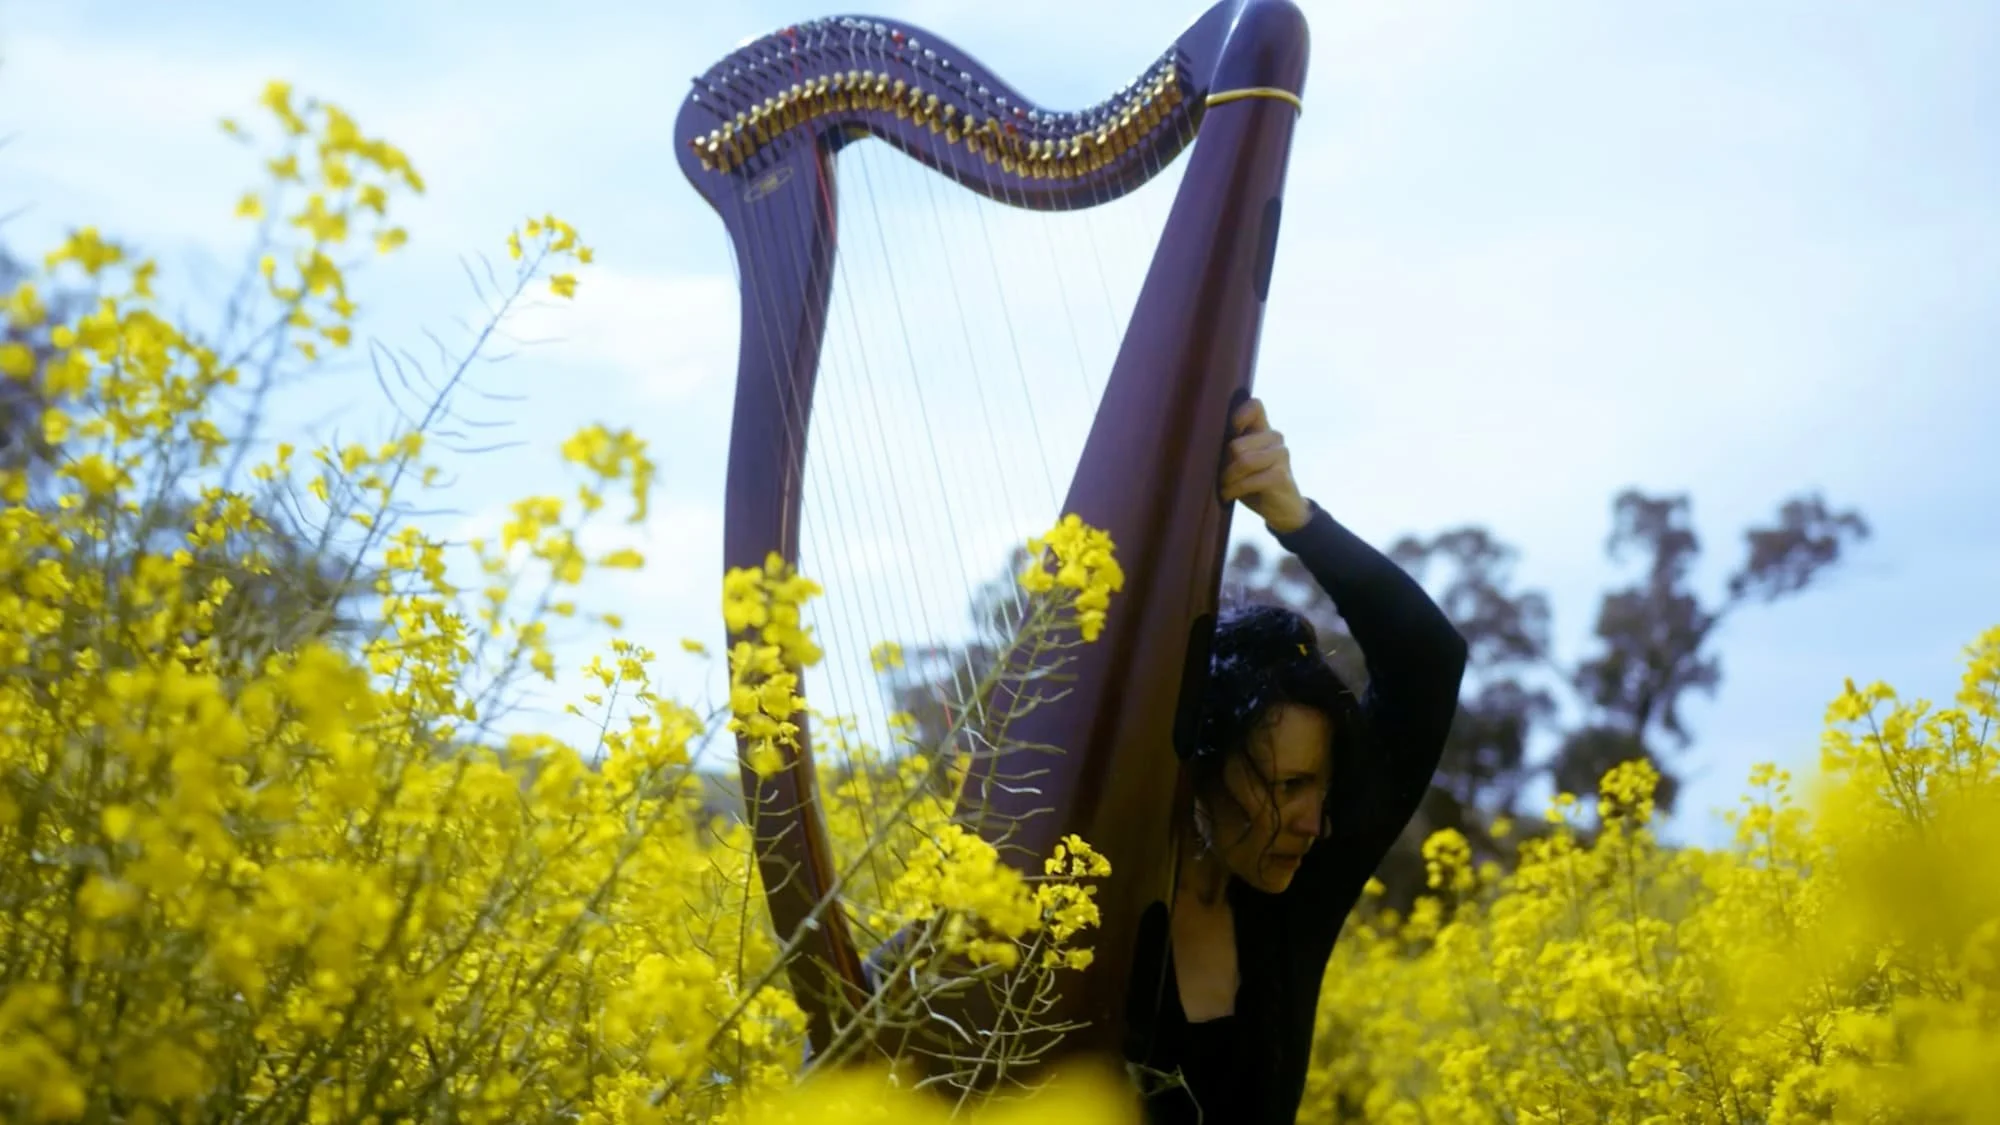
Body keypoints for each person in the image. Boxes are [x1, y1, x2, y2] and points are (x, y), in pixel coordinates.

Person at [1130, 397, 1468, 1124]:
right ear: (1203, 767)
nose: (1313, 822)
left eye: (1320, 782)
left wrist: (1295, 517)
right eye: (1284, 783)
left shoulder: (1304, 887)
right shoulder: (1092, 895)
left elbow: (1430, 661)